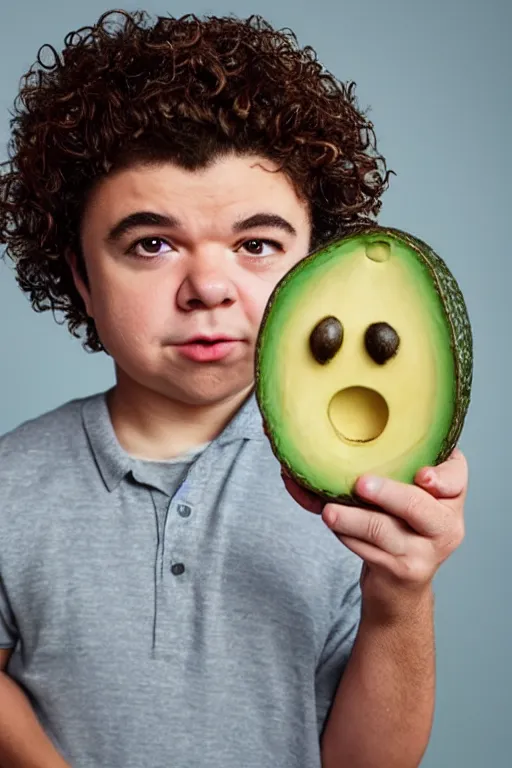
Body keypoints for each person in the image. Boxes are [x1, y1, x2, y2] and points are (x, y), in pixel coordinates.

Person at [0, 9, 468, 768]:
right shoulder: (10, 481)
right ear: (82, 276)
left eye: (257, 245)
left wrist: (401, 596)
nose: (209, 288)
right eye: (152, 244)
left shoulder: (362, 488)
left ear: (317, 267)